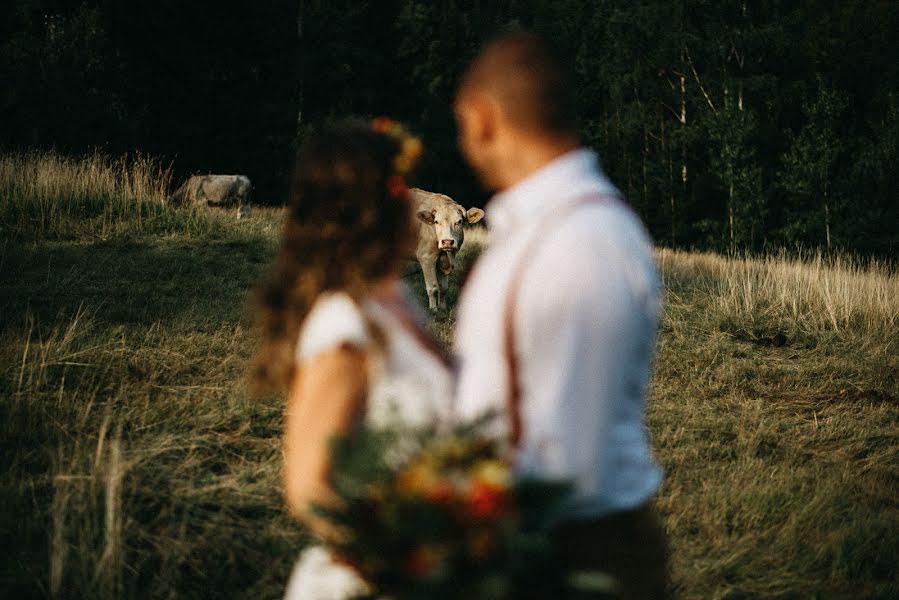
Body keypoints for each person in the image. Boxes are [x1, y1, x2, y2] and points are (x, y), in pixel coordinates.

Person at [452, 32, 669, 598]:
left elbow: (567, 461)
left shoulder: (578, 245)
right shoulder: (549, 229)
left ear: (482, 118)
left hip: (569, 557)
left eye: (460, 126)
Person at [251, 120, 454, 600]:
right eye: (402, 188)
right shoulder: (344, 322)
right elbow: (307, 486)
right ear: (372, 209)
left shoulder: (394, 299)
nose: (416, 204)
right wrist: (406, 556)